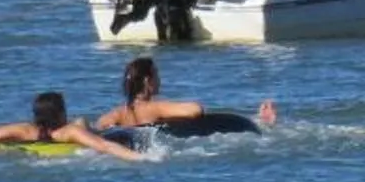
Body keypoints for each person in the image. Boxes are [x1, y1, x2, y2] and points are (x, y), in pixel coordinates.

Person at [95, 55, 277, 131]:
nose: (160, 80)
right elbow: (195, 110)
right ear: (147, 81)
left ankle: (261, 119)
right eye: (157, 75)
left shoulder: (117, 113)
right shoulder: (155, 108)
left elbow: (100, 125)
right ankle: (264, 122)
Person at [0, 91, 144, 160]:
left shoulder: (25, 129)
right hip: (70, 147)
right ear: (60, 113)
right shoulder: (69, 131)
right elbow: (103, 145)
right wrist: (139, 158)